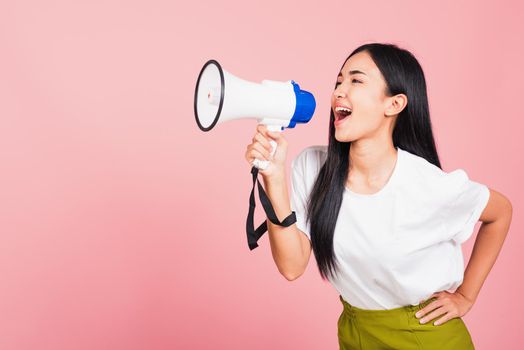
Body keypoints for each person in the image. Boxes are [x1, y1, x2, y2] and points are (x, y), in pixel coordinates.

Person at [244, 42, 513, 349]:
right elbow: (292, 266)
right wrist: (274, 178)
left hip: (424, 336)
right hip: (355, 331)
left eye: (356, 80)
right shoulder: (313, 167)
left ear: (394, 104)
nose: (338, 92)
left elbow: (500, 212)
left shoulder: (425, 183)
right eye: (338, 81)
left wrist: (466, 296)